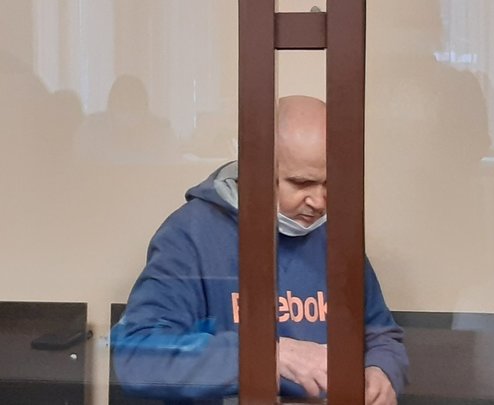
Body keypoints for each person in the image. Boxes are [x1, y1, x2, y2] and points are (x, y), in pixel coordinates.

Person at [111, 96, 408, 404]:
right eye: (301, 183)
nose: (319, 202)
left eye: (330, 183)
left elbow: (380, 333)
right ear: (255, 169)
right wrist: (269, 356)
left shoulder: (336, 236)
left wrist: (381, 371)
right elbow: (139, 356)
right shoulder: (191, 235)